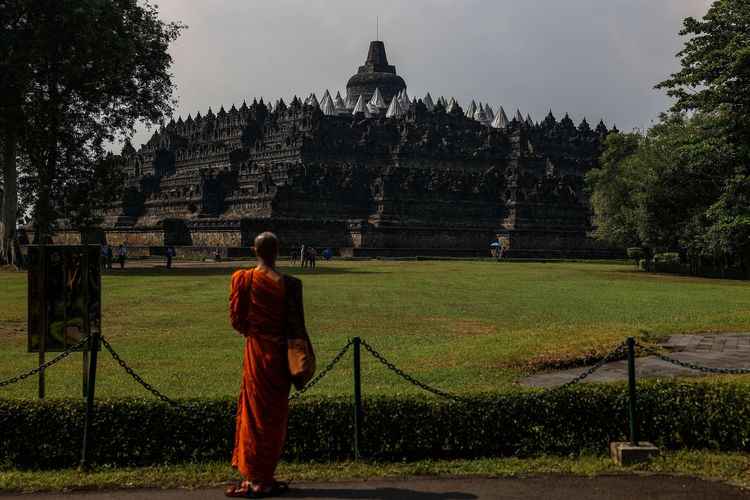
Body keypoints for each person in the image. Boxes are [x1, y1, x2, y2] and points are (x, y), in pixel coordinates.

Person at [227, 232, 307, 498]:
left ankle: (257, 480)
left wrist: (257, 333)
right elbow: (295, 324)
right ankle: (265, 477)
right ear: (278, 251)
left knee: (255, 416)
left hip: (257, 353)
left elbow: (237, 320)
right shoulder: (289, 284)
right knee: (273, 418)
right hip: (281, 359)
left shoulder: (244, 279)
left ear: (254, 250)